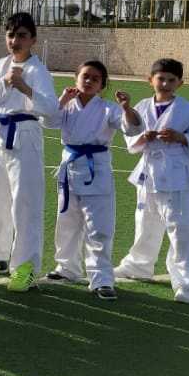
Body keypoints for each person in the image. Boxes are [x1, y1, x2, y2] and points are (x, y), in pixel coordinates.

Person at [0, 11, 58, 292]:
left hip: (25, 135)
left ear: (33, 40)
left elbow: (51, 109)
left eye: (21, 36)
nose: (15, 40)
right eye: (11, 35)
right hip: (1, 134)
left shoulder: (38, 70)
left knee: (25, 203)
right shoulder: (2, 65)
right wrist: (5, 81)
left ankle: (26, 266)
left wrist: (25, 88)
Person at [40, 60, 140, 299]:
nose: (89, 81)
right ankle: (67, 268)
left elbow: (132, 129)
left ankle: (101, 278)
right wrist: (62, 100)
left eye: (95, 79)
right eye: (85, 76)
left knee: (99, 227)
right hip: (70, 168)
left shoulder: (108, 109)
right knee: (66, 222)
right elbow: (48, 122)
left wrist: (127, 108)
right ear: (76, 78)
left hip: (97, 169)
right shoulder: (67, 105)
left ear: (102, 85)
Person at [114, 58, 189, 303]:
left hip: (175, 174)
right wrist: (142, 138)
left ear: (180, 83)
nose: (165, 83)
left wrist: (181, 137)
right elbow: (130, 133)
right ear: (150, 80)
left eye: (171, 80)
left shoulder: (186, 108)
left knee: (181, 228)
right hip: (148, 173)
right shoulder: (143, 106)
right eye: (161, 78)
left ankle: (187, 281)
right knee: (145, 222)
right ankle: (139, 265)